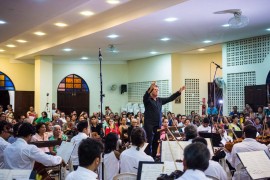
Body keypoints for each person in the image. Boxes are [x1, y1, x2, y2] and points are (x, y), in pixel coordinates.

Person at [143, 81, 185, 157]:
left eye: (157, 90)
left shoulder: (159, 100)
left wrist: (179, 92)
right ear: (151, 91)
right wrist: (150, 88)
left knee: (156, 142)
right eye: (154, 89)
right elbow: (145, 96)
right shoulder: (147, 100)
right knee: (149, 142)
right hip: (149, 125)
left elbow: (170, 98)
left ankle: (153, 157)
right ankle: (146, 158)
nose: (156, 91)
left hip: (157, 124)